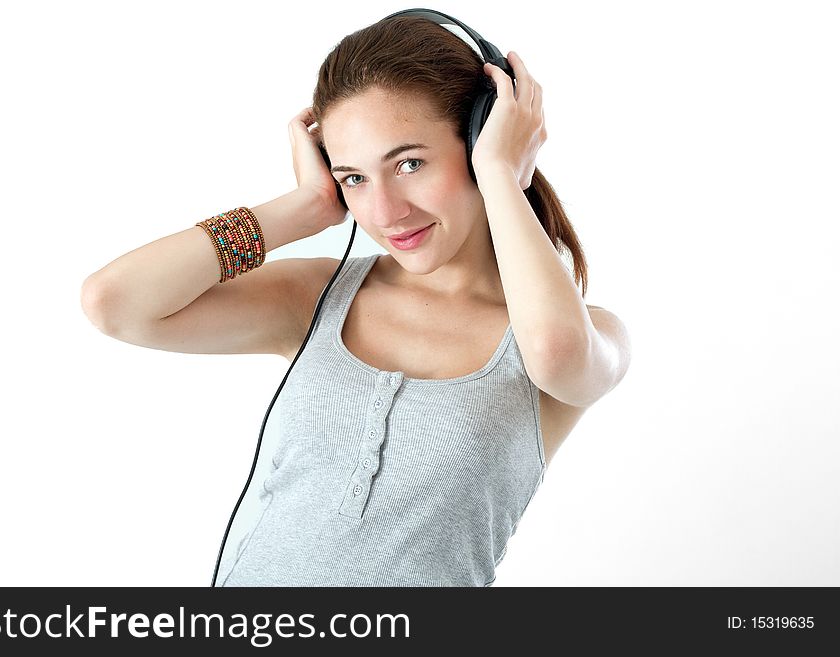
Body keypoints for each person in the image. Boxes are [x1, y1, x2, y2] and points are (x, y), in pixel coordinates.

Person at [80, 14, 631, 587]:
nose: (386, 212)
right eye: (354, 178)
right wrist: (303, 209)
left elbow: (557, 352)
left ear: (479, 137)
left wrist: (501, 173)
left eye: (409, 164)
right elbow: (115, 303)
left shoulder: (587, 333)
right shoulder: (320, 297)